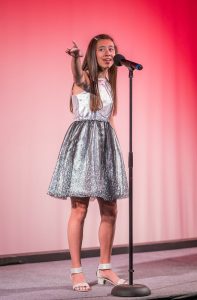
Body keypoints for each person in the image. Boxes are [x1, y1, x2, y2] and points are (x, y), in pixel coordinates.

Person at [47, 34, 128, 292]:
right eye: (102, 49)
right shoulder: (85, 80)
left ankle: (104, 268)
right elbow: (76, 75)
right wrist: (75, 58)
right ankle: (76, 271)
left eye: (111, 49)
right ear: (93, 54)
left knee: (110, 209)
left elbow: (110, 119)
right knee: (79, 209)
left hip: (105, 146)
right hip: (83, 145)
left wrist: (116, 151)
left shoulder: (108, 83)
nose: (108, 53)